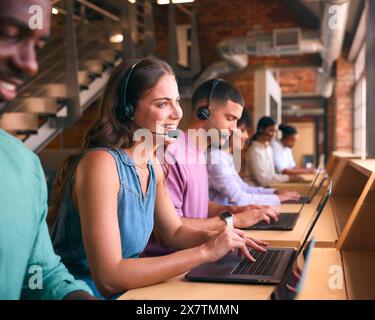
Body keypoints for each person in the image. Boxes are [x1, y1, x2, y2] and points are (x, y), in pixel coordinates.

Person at [48, 58, 268, 299]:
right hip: (84, 292)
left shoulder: (152, 163)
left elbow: (174, 232)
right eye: (163, 104)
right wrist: (206, 251)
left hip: (130, 292)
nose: (177, 114)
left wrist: (222, 237)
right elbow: (109, 278)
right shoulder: (101, 164)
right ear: (127, 110)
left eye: (176, 102)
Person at [0, 0, 94, 299]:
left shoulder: (24, 165)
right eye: (9, 33)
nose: (30, 64)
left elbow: (39, 273)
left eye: (39, 46)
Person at [142, 79, 279, 257]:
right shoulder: (170, 151)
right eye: (230, 119)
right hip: (173, 262)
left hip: (197, 253)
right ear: (203, 111)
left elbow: (197, 206)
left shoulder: (199, 152)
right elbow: (171, 228)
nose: (234, 129)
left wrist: (232, 211)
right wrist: (233, 221)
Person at [207, 108, 300, 206]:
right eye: (242, 130)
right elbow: (238, 198)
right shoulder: (216, 158)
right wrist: (277, 197)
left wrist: (274, 192)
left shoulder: (225, 156)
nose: (247, 136)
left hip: (238, 209)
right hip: (228, 214)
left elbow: (244, 188)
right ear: (228, 131)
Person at [246, 116, 304, 187]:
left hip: (267, 186)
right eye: (271, 130)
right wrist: (289, 178)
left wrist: (291, 178)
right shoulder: (254, 150)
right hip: (254, 189)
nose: (273, 134)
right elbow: (263, 181)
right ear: (261, 130)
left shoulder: (268, 148)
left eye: (275, 131)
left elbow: (272, 176)